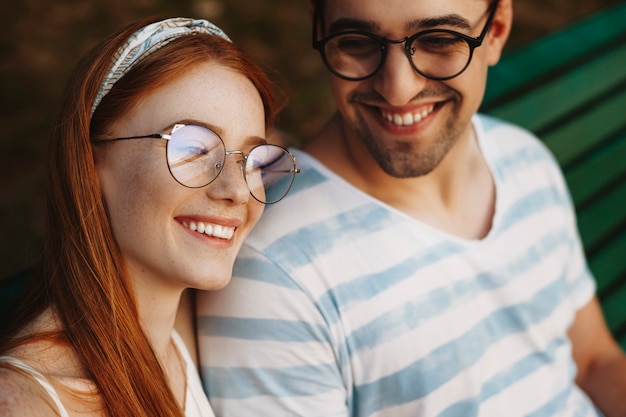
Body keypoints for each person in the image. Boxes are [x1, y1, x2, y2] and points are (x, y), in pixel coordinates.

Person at [196, 0, 626, 416]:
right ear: (321, 29)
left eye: (439, 39)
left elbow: (591, 360)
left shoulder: (524, 159)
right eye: (357, 41)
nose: (398, 89)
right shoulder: (274, 272)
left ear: (495, 30)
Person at [0, 16, 299, 417]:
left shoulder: (177, 342)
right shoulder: (28, 403)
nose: (237, 191)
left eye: (253, 161)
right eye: (192, 149)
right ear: (89, 163)